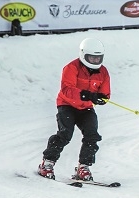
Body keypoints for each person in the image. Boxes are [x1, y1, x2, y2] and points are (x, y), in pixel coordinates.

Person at [38, 38, 111, 182]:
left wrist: (101, 99)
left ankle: (83, 167)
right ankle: (47, 163)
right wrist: (85, 94)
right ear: (83, 55)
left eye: (98, 58)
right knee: (65, 134)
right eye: (92, 58)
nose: (95, 61)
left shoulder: (103, 72)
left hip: (86, 108)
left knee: (92, 135)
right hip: (67, 105)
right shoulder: (71, 67)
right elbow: (66, 89)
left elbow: (106, 94)